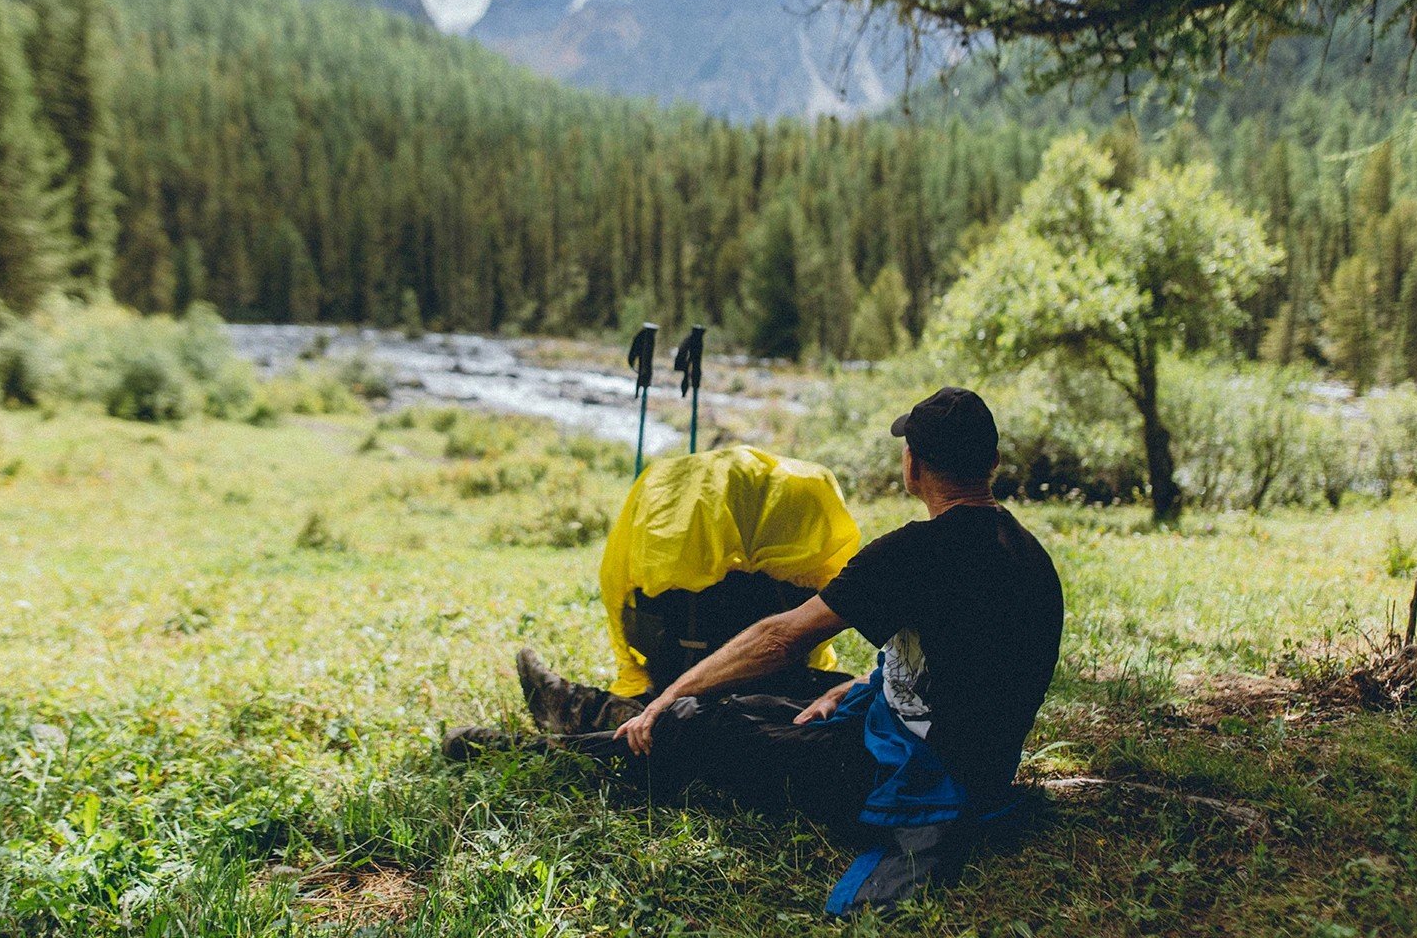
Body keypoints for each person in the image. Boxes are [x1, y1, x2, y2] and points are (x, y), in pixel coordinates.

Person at [448, 388, 1064, 917]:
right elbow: (967, 664)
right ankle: (587, 707)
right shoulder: (1030, 557)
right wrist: (852, 689)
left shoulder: (914, 552)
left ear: (913, 465)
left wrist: (667, 696)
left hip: (902, 780)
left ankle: (544, 744)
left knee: (693, 721)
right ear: (992, 462)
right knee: (796, 689)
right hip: (978, 767)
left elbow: (781, 636)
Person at [516, 444, 862, 735]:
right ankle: (601, 712)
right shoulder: (872, 559)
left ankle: (588, 714)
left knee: (725, 729)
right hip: (791, 684)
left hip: (719, 678)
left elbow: (780, 639)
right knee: (812, 708)